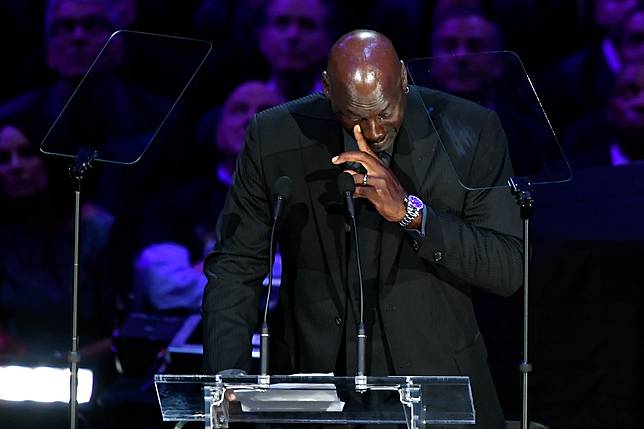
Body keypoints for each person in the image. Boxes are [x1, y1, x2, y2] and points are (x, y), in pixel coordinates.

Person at [202, 30, 523, 428]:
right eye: (354, 116)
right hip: (312, 383)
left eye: (386, 112)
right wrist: (225, 378)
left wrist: (411, 213)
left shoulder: (470, 131)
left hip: (436, 384)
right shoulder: (274, 136)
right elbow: (236, 266)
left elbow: (507, 267)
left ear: (404, 77)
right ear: (326, 89)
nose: (372, 131)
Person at [133, 81, 285, 312]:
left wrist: (209, 268)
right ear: (218, 131)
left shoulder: (311, 203)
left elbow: (316, 291)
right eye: (239, 110)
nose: (251, 119)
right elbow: (165, 289)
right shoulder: (177, 203)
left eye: (265, 112)